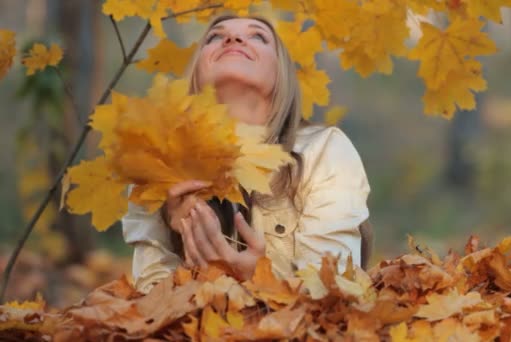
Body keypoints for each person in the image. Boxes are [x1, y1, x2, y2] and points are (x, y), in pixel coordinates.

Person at [122, 15, 372, 294]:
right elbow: (148, 303)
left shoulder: (325, 150)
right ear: (195, 73)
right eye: (215, 36)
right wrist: (180, 241)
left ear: (281, 75)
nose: (233, 38)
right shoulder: (157, 165)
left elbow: (336, 287)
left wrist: (259, 279)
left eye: (258, 36)